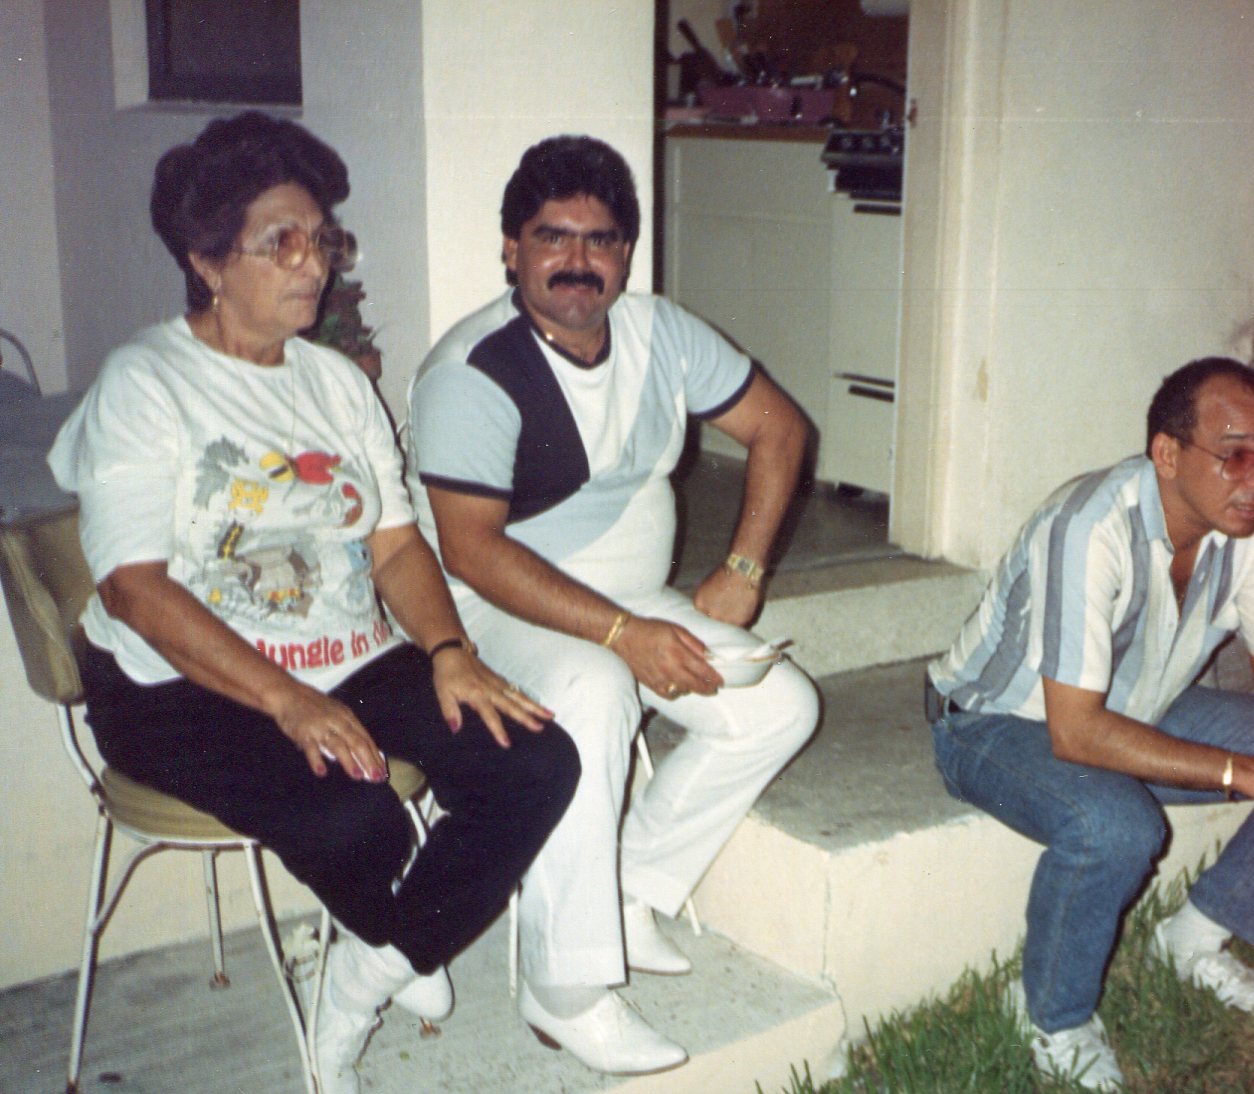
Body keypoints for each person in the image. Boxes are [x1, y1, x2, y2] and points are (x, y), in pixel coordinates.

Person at [46, 113, 580, 1093]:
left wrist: (448, 651)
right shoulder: (145, 383)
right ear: (207, 262)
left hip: (346, 654)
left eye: (322, 239)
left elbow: (394, 544)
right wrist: (288, 701)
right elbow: (133, 586)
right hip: (175, 684)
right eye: (280, 242)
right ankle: (395, 937)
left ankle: (376, 964)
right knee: (355, 821)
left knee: (534, 760)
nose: (313, 264)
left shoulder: (335, 382)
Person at [403, 134, 818, 1075]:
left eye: (600, 240)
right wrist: (624, 635)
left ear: (626, 253)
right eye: (552, 237)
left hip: (626, 597)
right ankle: (564, 990)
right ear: (511, 248)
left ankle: (630, 888)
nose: (578, 261)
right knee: (593, 690)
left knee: (780, 707)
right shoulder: (474, 369)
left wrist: (744, 569)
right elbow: (471, 550)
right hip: (488, 610)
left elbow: (781, 428)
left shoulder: (659, 332)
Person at [925, 359, 1254, 1091]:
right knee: (1115, 825)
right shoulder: (1090, 525)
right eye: (1236, 456)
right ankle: (1051, 1016)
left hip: (1142, 704)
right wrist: (1246, 774)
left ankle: (1194, 937)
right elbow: (1076, 733)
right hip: (994, 725)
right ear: (1167, 454)